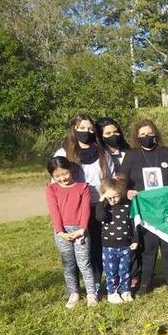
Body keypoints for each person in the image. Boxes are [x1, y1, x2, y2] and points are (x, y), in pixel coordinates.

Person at [121, 118, 168, 293]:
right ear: (137, 137)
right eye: (142, 134)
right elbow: (122, 182)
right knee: (147, 248)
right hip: (145, 211)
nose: (147, 137)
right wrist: (127, 192)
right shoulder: (131, 155)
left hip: (166, 211)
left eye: (150, 133)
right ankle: (145, 282)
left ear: (156, 134)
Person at [54, 114, 115, 291]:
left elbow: (109, 179)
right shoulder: (63, 153)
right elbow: (55, 182)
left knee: (96, 246)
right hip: (73, 210)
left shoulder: (103, 154)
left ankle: (95, 283)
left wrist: (107, 199)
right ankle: (73, 288)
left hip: (98, 206)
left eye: (89, 129)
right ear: (74, 129)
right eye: (81, 129)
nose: (86, 132)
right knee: (76, 251)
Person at [45, 156, 97, 308]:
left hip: (81, 231)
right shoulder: (51, 189)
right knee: (68, 264)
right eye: (57, 176)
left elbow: (85, 210)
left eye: (65, 173)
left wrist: (81, 229)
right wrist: (60, 232)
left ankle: (91, 293)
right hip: (62, 233)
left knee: (84, 263)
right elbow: (54, 211)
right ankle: (74, 292)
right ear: (53, 176)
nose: (62, 178)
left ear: (71, 170)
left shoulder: (83, 187)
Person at [95, 177, 137, 304]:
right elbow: (100, 217)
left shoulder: (127, 206)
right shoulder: (104, 207)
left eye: (115, 197)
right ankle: (112, 293)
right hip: (109, 246)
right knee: (111, 271)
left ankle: (125, 291)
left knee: (125, 270)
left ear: (121, 194)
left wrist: (135, 240)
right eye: (109, 197)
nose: (112, 200)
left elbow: (133, 223)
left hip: (125, 245)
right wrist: (102, 200)